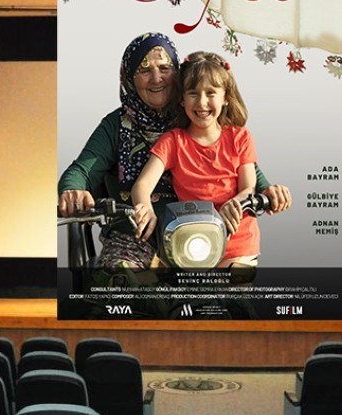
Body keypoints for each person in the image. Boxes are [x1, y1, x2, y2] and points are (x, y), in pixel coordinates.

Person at [57, 31, 289, 268]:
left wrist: (269, 191)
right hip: (137, 235)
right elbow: (82, 170)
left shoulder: (196, 117)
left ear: (177, 74)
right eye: (144, 70)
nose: (156, 78)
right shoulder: (116, 126)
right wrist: (72, 190)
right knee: (121, 278)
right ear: (129, 77)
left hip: (198, 238)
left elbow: (241, 168)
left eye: (165, 68)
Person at [131, 52, 261, 267]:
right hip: (191, 246)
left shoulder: (240, 138)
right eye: (193, 93)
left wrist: (234, 204)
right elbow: (142, 186)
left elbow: (249, 188)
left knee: (233, 284)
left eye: (211, 93)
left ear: (226, 97)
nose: (202, 102)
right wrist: (146, 210)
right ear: (182, 99)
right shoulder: (173, 141)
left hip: (237, 245)